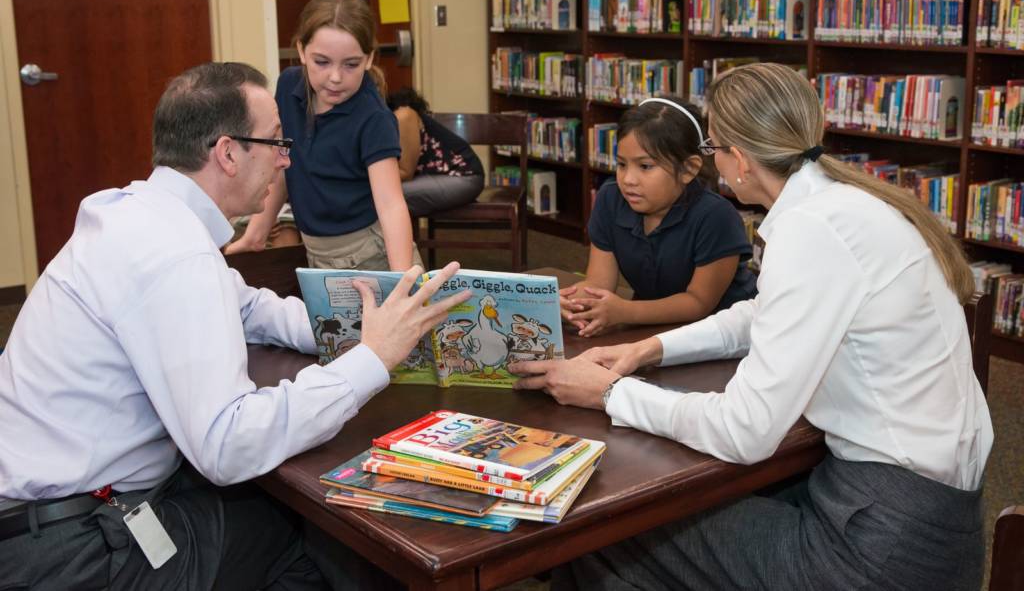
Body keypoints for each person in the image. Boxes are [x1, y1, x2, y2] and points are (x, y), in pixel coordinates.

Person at [511, 63, 993, 590]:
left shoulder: (812, 231)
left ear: (738, 159)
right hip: (924, 514)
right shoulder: (845, 202)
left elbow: (745, 432)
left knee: (598, 528)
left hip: (881, 543)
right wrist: (648, 350)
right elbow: (761, 313)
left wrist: (611, 393)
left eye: (714, 147)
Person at [0, 62, 470, 589]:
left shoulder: (142, 215)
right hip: (72, 550)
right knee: (321, 535)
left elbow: (248, 307)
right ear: (227, 153)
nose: (286, 158)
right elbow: (227, 444)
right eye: (275, 141)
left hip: (48, 512)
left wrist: (362, 325)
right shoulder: (175, 255)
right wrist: (371, 360)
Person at [226, 0, 420, 272]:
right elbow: (283, 167)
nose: (335, 77)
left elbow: (391, 206)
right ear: (302, 51)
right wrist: (256, 234)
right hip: (316, 251)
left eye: (351, 64)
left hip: (371, 254)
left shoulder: (373, 117)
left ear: (368, 59)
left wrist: (403, 281)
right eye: (322, 62)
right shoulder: (288, 86)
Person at [561, 97, 757, 337]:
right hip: (651, 327)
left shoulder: (716, 217)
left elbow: (698, 303)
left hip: (724, 335)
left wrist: (625, 311)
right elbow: (599, 285)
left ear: (688, 169)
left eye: (645, 167)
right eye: (622, 164)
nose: (628, 179)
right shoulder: (610, 199)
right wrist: (570, 302)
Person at [386, 86, 485, 217]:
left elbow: (406, 172)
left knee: (384, 195)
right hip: (439, 177)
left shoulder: (404, 115)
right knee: (379, 194)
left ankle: (390, 237)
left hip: (464, 177)